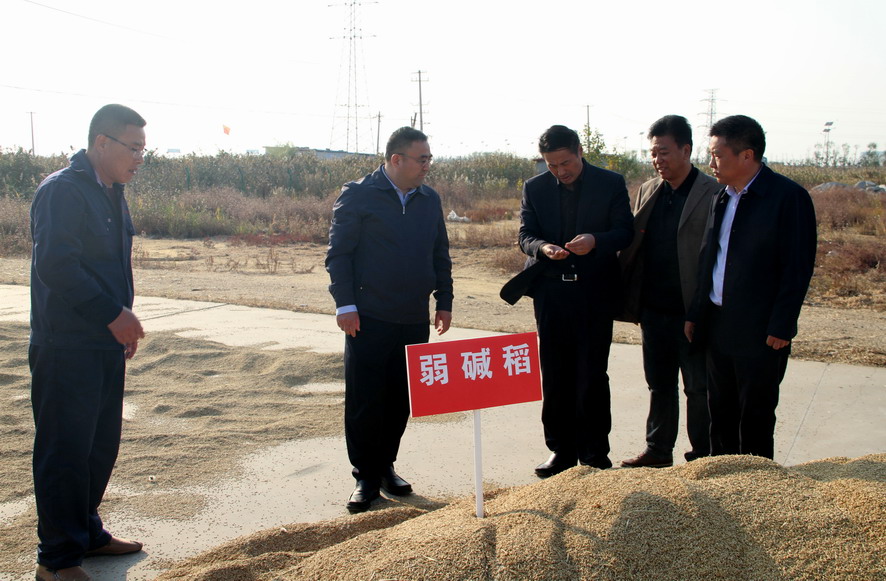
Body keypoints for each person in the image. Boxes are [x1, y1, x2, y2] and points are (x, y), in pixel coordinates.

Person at [30, 104, 147, 581]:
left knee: (98, 448)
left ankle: (87, 533)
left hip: (103, 342)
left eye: (144, 149)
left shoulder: (112, 191)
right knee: (65, 452)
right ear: (102, 143)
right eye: (133, 148)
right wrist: (112, 315)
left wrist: (118, 325)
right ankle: (57, 560)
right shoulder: (62, 190)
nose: (139, 158)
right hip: (67, 345)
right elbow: (56, 266)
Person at [326, 126, 453, 512]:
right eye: (422, 159)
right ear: (397, 159)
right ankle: (365, 476)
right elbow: (339, 254)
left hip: (412, 316)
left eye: (429, 159)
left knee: (401, 398)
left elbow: (440, 253)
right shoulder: (359, 195)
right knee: (366, 398)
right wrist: (345, 305)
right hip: (368, 316)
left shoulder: (429, 199)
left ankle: (385, 466)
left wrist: (444, 301)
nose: (427, 166)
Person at [685, 115, 817, 459]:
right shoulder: (722, 196)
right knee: (720, 411)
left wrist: (782, 324)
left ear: (747, 155)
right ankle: (722, 478)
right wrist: (696, 313)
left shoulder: (787, 198)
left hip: (760, 328)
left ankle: (757, 482)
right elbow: (708, 259)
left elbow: (797, 268)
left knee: (755, 414)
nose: (711, 163)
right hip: (718, 322)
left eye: (718, 155)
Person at [516, 125, 633, 477]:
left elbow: (625, 232)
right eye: (552, 165)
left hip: (594, 292)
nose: (560, 171)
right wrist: (542, 248)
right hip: (551, 292)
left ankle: (595, 452)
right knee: (555, 373)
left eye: (565, 163)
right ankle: (561, 450)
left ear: (580, 151)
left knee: (592, 373)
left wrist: (596, 241)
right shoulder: (534, 188)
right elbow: (525, 236)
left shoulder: (610, 183)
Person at [618, 115, 721, 468]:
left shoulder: (712, 192)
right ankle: (658, 450)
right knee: (659, 384)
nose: (657, 160)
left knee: (698, 388)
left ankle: (703, 455)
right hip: (653, 309)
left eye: (664, 152)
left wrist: (701, 310)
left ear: (686, 150)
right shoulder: (648, 190)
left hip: (691, 310)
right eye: (653, 153)